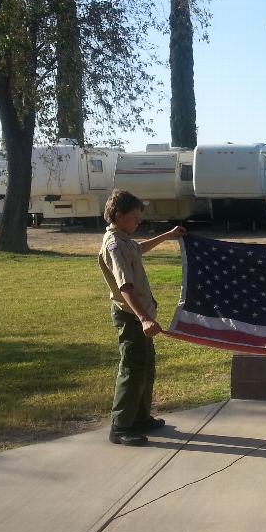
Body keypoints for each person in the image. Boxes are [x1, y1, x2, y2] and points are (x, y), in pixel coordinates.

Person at [98, 189, 186, 446]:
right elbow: (125, 287)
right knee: (132, 369)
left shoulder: (125, 240)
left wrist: (168, 236)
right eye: (135, 217)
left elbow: (140, 248)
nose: (139, 221)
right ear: (119, 215)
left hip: (140, 315)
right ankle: (121, 426)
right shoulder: (114, 245)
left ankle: (140, 417)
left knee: (146, 366)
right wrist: (144, 318)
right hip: (131, 316)